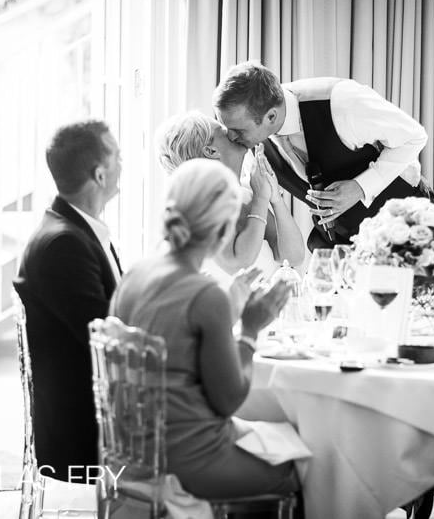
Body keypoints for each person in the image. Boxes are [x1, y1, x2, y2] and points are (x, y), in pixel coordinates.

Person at [109, 159, 300, 499]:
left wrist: (230, 309)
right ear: (224, 228)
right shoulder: (205, 295)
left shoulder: (134, 276)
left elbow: (178, 349)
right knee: (306, 466)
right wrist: (251, 330)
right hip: (190, 462)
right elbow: (229, 400)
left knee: (278, 438)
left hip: (131, 453)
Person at [213, 60, 434, 250]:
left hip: (408, 231)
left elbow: (414, 136)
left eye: (238, 131)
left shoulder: (342, 103)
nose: (231, 137)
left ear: (271, 117)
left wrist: (360, 187)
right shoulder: (253, 137)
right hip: (340, 246)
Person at [13, 120, 123, 483]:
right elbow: (107, 341)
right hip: (87, 429)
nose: (123, 165)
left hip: (96, 407)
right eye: (118, 157)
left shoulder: (72, 230)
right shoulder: (64, 245)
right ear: (100, 174)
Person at [155, 111, 304, 276]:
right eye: (224, 131)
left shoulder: (246, 196)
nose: (234, 132)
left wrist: (275, 198)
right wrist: (261, 198)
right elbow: (237, 264)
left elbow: (293, 258)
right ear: (211, 151)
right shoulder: (202, 206)